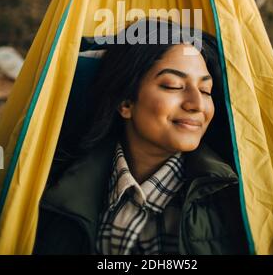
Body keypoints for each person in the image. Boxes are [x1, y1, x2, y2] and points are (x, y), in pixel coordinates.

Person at [32, 17, 250, 255]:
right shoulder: (48, 185)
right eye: (173, 86)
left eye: (205, 90)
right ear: (125, 102)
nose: (197, 104)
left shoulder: (239, 199)